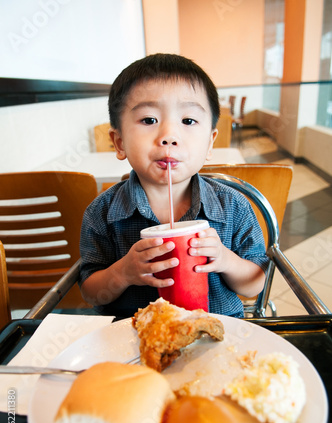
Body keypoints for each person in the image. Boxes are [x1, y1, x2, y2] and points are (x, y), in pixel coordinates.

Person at [79, 53, 269, 318]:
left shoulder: (234, 207)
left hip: (218, 335)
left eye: (188, 121)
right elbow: (90, 294)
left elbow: (254, 286)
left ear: (210, 143)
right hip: (134, 340)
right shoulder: (102, 213)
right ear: (119, 142)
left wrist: (226, 260)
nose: (169, 136)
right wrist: (123, 272)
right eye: (148, 120)